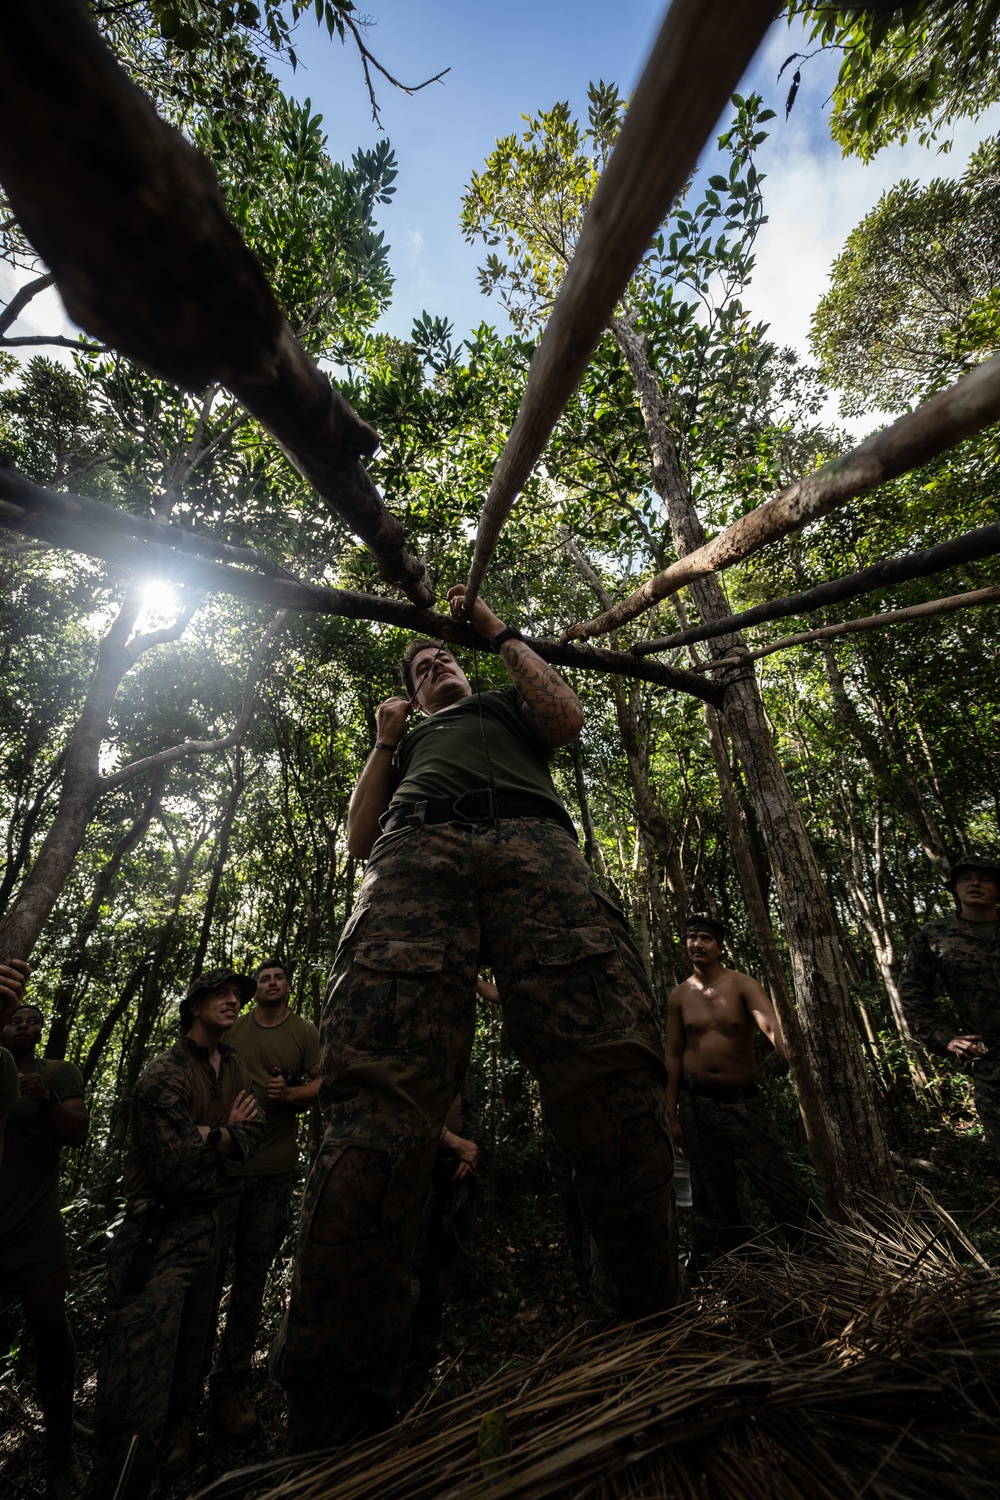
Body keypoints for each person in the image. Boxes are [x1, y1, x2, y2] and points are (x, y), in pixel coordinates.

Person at [274, 585, 676, 1451]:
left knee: (608, 1065)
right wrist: (385, 740)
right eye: (421, 669)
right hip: (415, 853)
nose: (435, 666)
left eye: (441, 656)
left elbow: (565, 717)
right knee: (377, 1097)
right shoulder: (410, 739)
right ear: (411, 697)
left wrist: (496, 632)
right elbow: (357, 839)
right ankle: (335, 1423)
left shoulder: (504, 700)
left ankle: (650, 1344)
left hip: (537, 846)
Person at [83, 969, 263, 1500]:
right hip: (158, 1238)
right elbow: (177, 1168)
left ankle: (180, 1432)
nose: (233, 1001)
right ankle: (119, 1479)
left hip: (210, 1225)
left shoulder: (232, 1065)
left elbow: (253, 1135)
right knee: (140, 1376)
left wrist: (212, 1135)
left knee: (194, 1345)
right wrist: (221, 1140)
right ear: (194, 1006)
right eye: (221, 995)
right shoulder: (163, 1074)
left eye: (238, 996)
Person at [207, 956, 320, 1440]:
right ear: (256, 989)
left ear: (289, 988)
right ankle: (180, 1396)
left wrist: (291, 1095)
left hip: (272, 1173)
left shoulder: (304, 1031)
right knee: (204, 1280)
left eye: (278, 978)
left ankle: (230, 1387)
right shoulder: (232, 1029)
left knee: (251, 1281)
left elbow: (325, 1083)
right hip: (220, 1171)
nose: (271, 983)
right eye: (264, 978)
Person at [665, 914, 816, 1258]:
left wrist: (799, 1065)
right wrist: (671, 1114)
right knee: (712, 1197)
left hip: (742, 1104)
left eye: (705, 938)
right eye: (691, 937)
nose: (697, 944)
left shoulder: (743, 984)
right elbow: (672, 1055)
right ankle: (738, 1271)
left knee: (779, 1182)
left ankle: (819, 1255)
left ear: (719, 946)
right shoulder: (680, 995)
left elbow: (773, 1028)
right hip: (696, 1105)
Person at [0, 999, 88, 1500]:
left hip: (35, 1225)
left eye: (35, 1021)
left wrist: (48, 1098)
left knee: (51, 1332)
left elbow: (79, 1133)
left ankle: (61, 1454)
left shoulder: (58, 1072)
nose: (26, 1027)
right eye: (16, 1019)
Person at [899, 853, 1000, 1160]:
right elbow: (912, 991)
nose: (976, 883)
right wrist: (945, 1037)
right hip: (991, 1064)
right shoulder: (935, 934)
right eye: (966, 878)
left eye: (984, 877)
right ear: (955, 887)